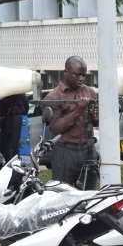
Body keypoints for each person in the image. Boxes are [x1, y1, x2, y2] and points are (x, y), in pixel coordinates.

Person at [43, 55, 98, 188]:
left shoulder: (89, 92)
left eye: (83, 75)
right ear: (66, 72)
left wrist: (96, 117)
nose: (81, 79)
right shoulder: (53, 97)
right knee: (62, 194)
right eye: (77, 75)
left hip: (87, 149)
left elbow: (96, 122)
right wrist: (77, 111)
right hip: (64, 151)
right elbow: (55, 128)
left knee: (89, 194)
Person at [0, 89, 28, 166]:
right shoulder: (15, 91)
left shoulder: (13, 91)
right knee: (9, 144)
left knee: (10, 143)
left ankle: (12, 164)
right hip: (9, 116)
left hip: (12, 115)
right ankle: (12, 163)